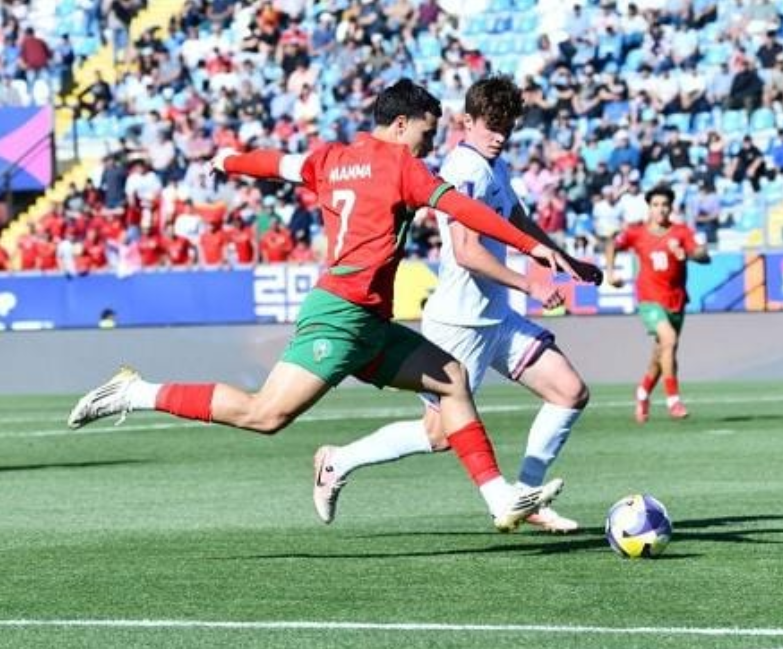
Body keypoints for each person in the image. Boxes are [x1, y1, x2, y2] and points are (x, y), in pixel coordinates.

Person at [66, 79, 581, 532]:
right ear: (400, 125)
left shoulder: (331, 158)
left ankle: (501, 500)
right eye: (425, 133)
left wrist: (228, 160)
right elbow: (462, 209)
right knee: (264, 414)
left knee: (451, 377)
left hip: (368, 322)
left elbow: (276, 164)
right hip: (340, 315)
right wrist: (532, 245)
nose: (426, 146)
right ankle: (134, 392)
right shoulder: (403, 167)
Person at [311, 76, 602, 532]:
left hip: (497, 317)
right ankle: (338, 460)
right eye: (492, 125)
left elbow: (518, 218)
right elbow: (467, 251)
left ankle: (528, 496)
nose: (501, 134)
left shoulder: (494, 166)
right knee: (439, 433)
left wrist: (565, 260)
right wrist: (533, 284)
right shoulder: (464, 169)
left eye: (507, 125)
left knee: (569, 392)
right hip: (460, 322)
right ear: (467, 121)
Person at [605, 185, 711, 423]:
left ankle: (642, 393)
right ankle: (673, 401)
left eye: (665, 205)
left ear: (671, 208)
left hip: (676, 300)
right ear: (649, 207)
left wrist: (689, 254)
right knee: (669, 341)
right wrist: (610, 273)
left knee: (661, 353)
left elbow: (705, 256)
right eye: (655, 205)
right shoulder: (637, 233)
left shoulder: (681, 232)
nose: (660, 209)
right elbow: (612, 244)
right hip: (649, 299)